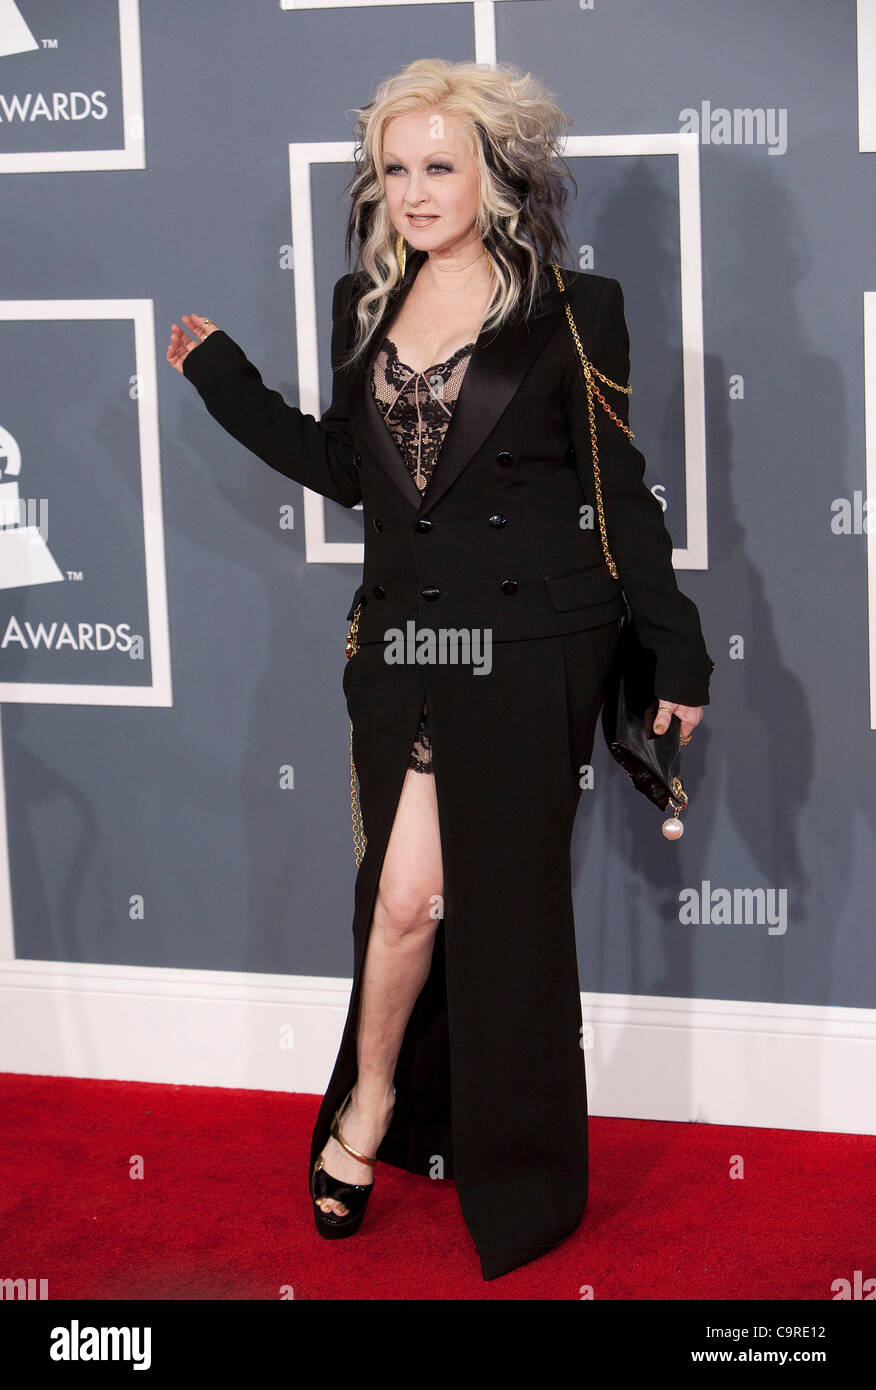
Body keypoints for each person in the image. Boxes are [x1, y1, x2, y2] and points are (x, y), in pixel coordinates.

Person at [167, 57, 713, 1282]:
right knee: (406, 898)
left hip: (533, 646)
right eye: (395, 169)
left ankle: (519, 1172)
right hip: (409, 640)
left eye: (438, 166)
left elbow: (617, 491)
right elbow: (356, 473)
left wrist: (674, 646)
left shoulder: (580, 308)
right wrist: (229, 388)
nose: (414, 191)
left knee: (509, 913)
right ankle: (369, 1109)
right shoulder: (367, 310)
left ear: (491, 174)